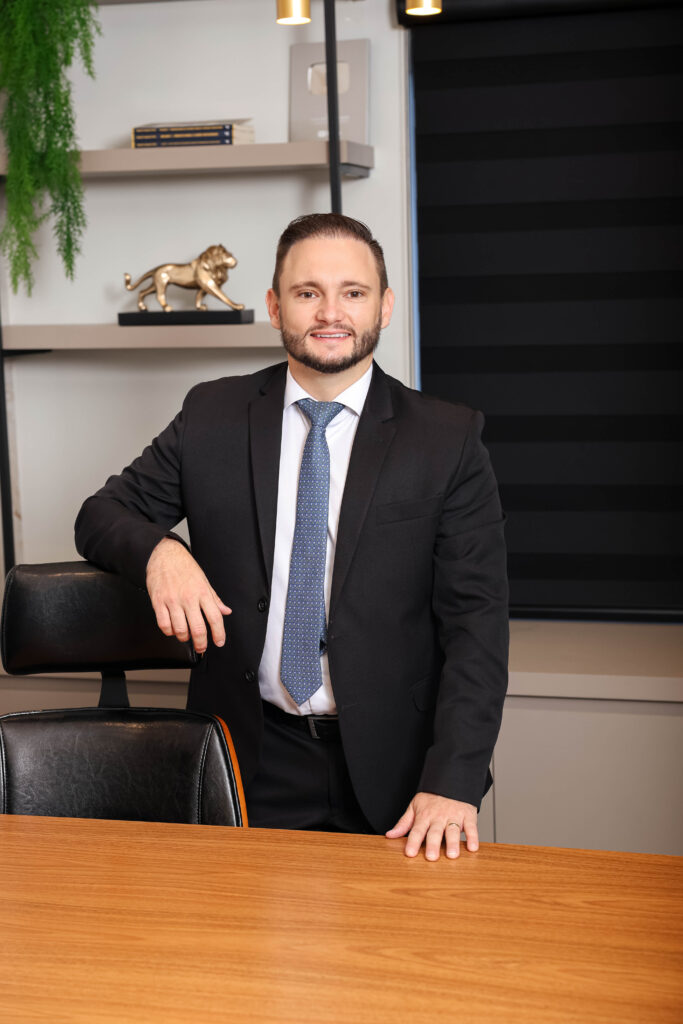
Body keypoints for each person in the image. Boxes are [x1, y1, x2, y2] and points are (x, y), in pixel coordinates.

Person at [75, 213, 509, 860]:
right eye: (308, 292)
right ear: (276, 306)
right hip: (247, 761)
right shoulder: (211, 414)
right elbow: (101, 514)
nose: (330, 312)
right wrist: (160, 553)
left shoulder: (447, 439)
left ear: (385, 307)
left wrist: (452, 781)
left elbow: (477, 626)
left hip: (402, 773)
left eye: (353, 292)